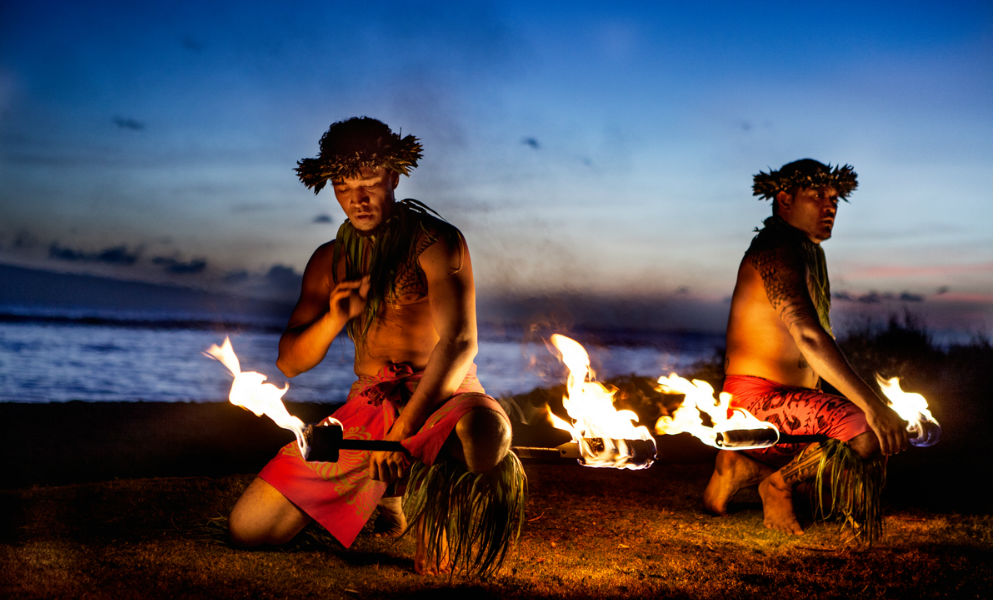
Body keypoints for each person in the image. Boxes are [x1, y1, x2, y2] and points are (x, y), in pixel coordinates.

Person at [227, 116, 525, 576]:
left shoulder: (437, 242)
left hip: (445, 399)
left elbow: (461, 342)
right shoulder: (329, 259)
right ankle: (388, 498)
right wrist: (335, 317)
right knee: (250, 529)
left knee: (488, 437)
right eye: (344, 186)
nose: (357, 198)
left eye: (368, 182)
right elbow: (290, 362)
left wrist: (404, 435)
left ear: (394, 177)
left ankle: (420, 498)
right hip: (369, 404)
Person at [703, 158, 908, 544]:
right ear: (784, 199)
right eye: (817, 196)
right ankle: (776, 486)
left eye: (833, 199)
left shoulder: (808, 252)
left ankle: (742, 466)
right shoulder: (777, 248)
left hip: (794, 403)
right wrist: (873, 407)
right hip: (756, 400)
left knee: (851, 442)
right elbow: (809, 336)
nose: (829, 206)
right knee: (867, 430)